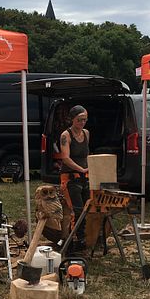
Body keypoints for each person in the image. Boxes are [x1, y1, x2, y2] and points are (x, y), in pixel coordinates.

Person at [58, 105, 90, 251]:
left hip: (84, 176)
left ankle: (82, 238)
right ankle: (71, 242)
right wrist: (81, 169)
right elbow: (65, 158)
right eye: (79, 120)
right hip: (70, 177)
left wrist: (90, 167)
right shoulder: (66, 135)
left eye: (84, 120)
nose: (82, 123)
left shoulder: (86, 133)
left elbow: (86, 155)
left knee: (86, 208)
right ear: (73, 119)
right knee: (75, 210)